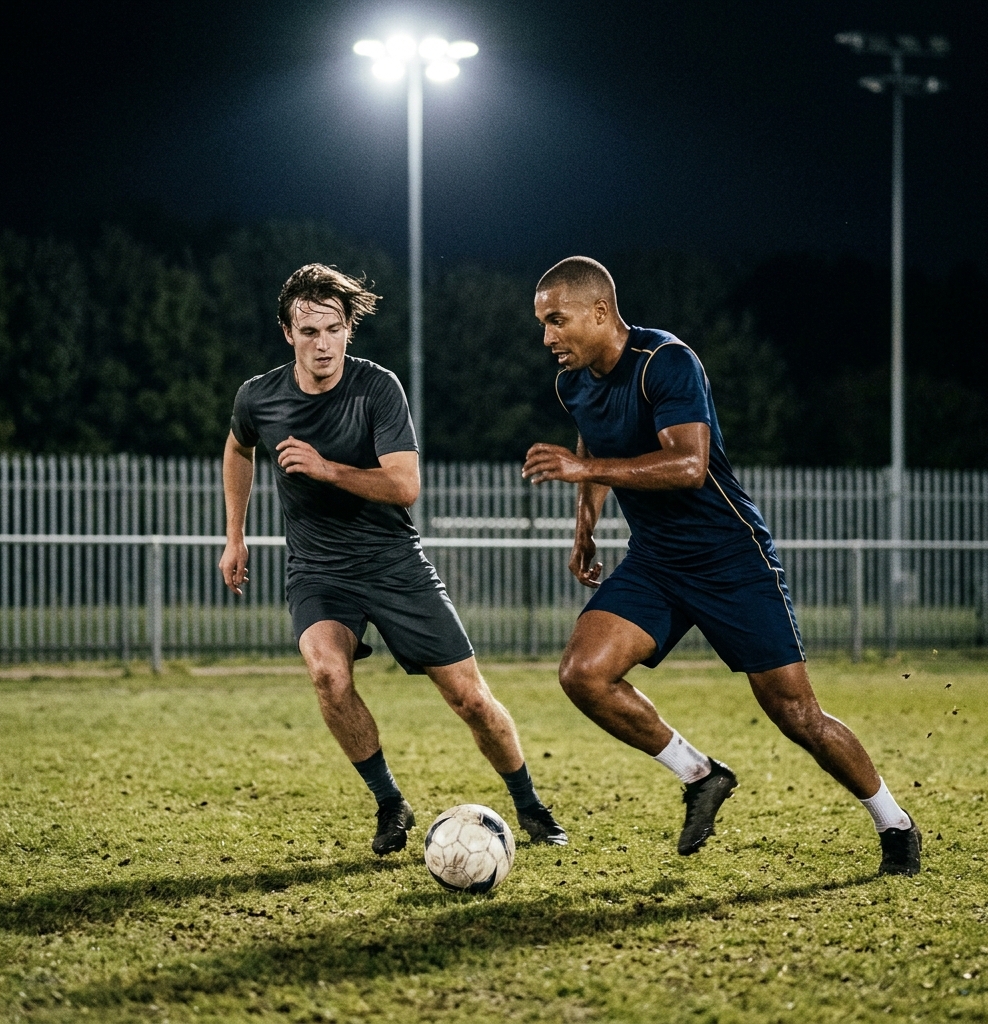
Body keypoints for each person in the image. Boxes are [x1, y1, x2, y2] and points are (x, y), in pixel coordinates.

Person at [521, 255, 920, 876]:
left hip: (731, 557)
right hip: (657, 562)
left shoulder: (666, 362)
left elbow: (688, 466)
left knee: (797, 715)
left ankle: (894, 822)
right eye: (542, 324)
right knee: (583, 673)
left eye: (556, 320)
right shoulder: (572, 382)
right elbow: (592, 444)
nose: (547, 337)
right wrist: (585, 528)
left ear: (600, 312)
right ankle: (701, 775)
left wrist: (584, 472)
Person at [219, 263, 567, 855]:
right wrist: (235, 534)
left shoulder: (378, 387)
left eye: (333, 329)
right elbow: (237, 447)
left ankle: (530, 805)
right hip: (318, 571)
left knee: (470, 698)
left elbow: (405, 486)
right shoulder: (259, 397)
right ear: (287, 333)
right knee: (328, 675)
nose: (322, 343)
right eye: (308, 332)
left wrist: (326, 468)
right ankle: (389, 803)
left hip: (393, 564)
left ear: (349, 328)